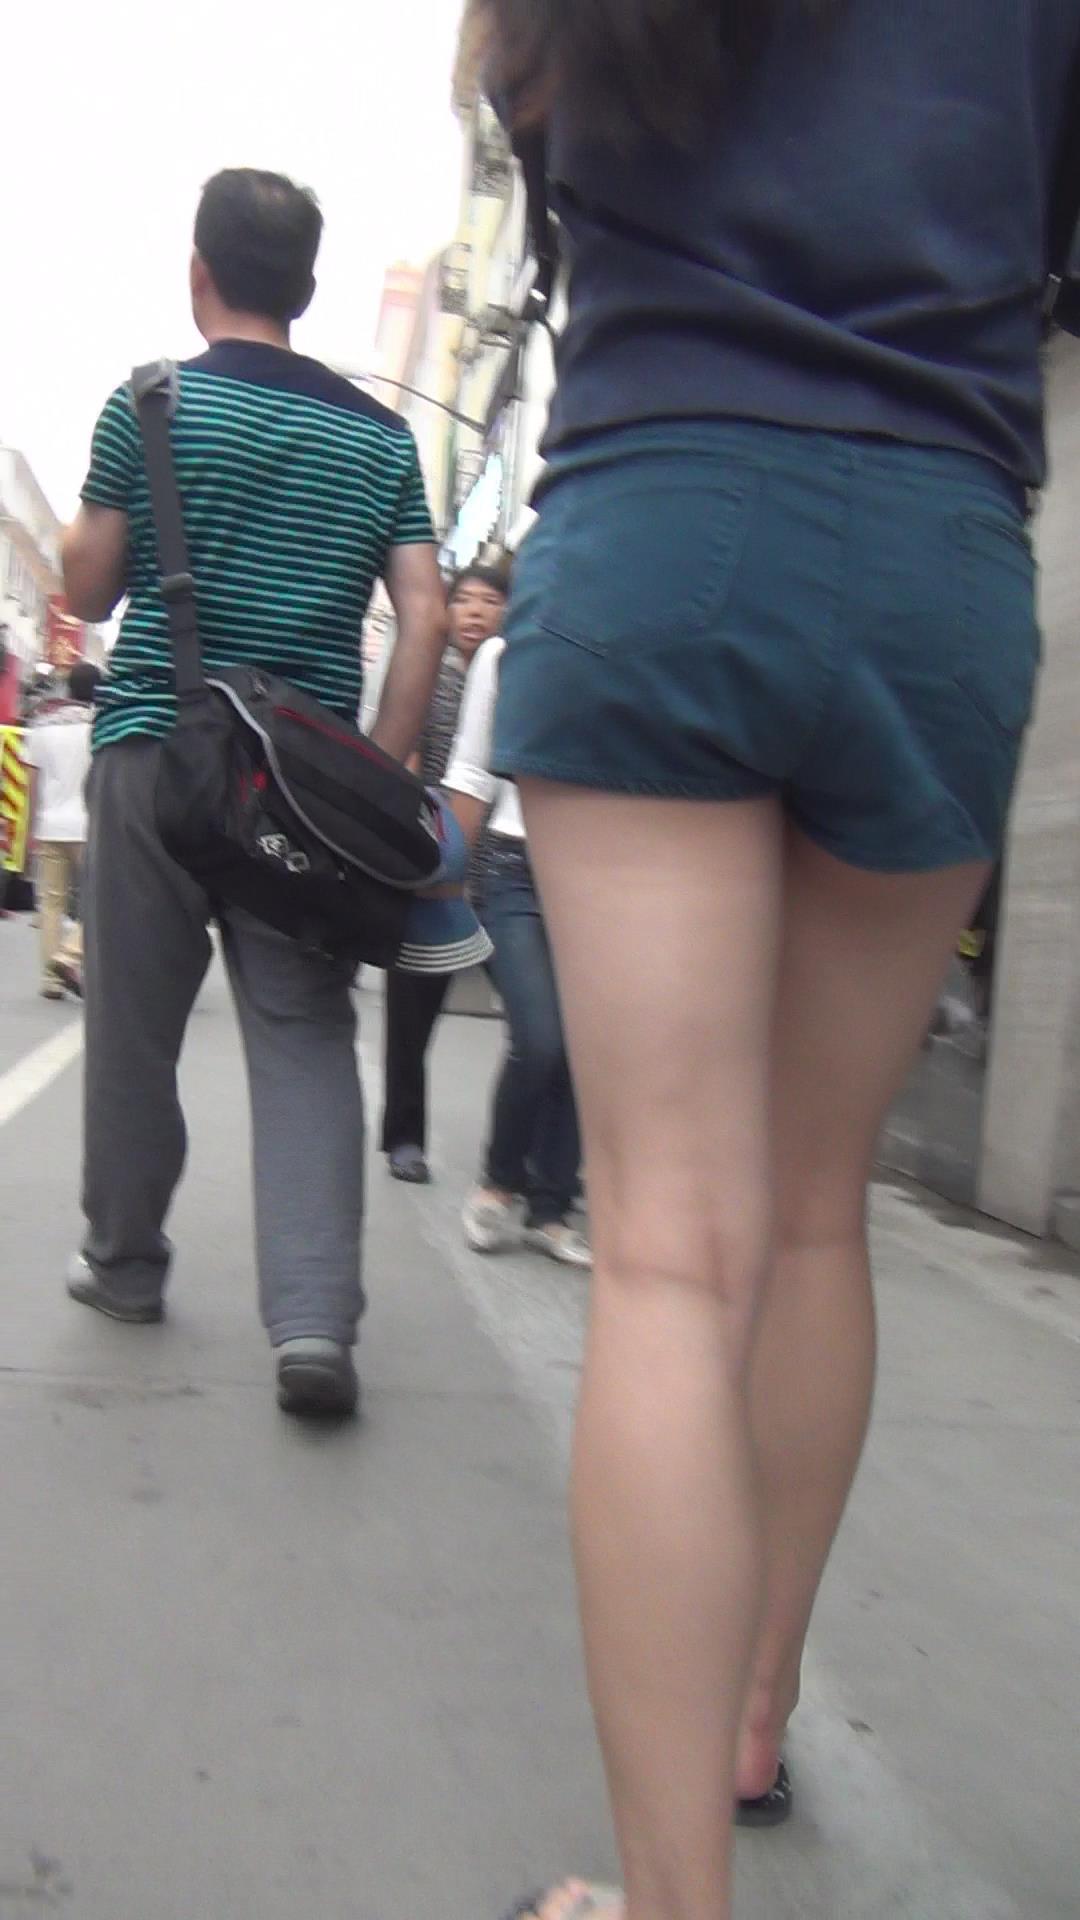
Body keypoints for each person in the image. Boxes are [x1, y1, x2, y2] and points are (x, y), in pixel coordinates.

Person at [459, 3, 1080, 1917]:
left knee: (670, 1251)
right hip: (944, 544)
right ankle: (754, 1712)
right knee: (816, 1216)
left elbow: (519, 98)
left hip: (666, 509)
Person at [61, 168, 445, 1418]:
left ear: (198, 272)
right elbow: (425, 613)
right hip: (299, 788)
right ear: (309, 288)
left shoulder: (150, 404)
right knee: (303, 1036)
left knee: (134, 1032)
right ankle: (315, 1324)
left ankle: (126, 1266)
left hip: (153, 754)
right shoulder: (381, 438)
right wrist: (377, 770)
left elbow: (90, 585)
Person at [444, 633, 590, 1269]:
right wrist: (445, 881)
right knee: (540, 1039)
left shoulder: (641, 641)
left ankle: (552, 1208)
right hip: (515, 867)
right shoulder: (507, 652)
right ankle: (499, 1182)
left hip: (607, 872)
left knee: (583, 1048)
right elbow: (471, 769)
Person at [380, 561, 509, 1184]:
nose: (475, 612)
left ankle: (527, 1159)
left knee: (540, 1021)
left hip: (504, 865)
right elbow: (403, 761)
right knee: (412, 1010)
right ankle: (404, 1137)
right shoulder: (426, 676)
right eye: (465, 600)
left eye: (489, 601)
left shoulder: (518, 675)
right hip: (433, 861)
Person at [22, 660, 101, 999]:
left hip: (49, 824)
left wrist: (30, 829)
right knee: (100, 899)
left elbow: (31, 785)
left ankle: (51, 980)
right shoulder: (100, 729)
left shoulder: (42, 727)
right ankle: (69, 955)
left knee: (51, 903)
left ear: (68, 689)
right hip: (90, 826)